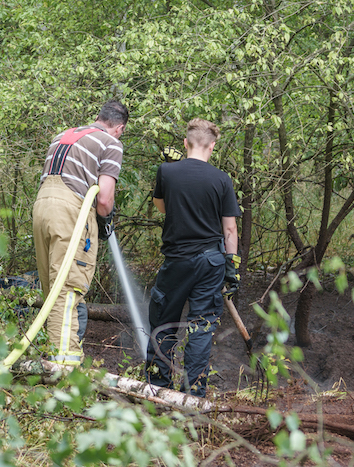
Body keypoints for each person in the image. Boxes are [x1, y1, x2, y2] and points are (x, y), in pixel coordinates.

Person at [147, 118, 241, 397]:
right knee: (201, 329)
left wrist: (171, 181)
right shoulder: (222, 179)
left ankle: (157, 390)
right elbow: (230, 228)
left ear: (185, 143)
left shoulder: (166, 171)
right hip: (211, 262)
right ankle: (193, 397)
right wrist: (232, 267)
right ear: (212, 147)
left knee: (163, 323)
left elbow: (162, 207)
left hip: (177, 261)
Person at [33, 100, 128, 366]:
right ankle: (65, 366)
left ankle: (52, 354)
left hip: (42, 207)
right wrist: (106, 218)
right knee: (68, 287)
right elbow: (105, 199)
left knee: (52, 288)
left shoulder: (62, 136)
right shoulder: (111, 143)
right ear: (119, 128)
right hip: (71, 211)